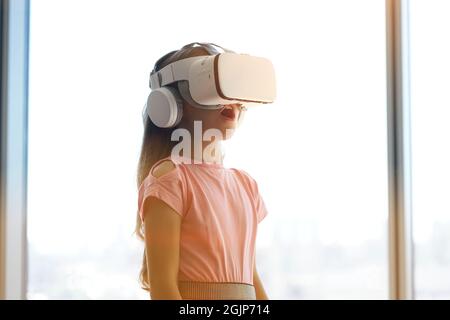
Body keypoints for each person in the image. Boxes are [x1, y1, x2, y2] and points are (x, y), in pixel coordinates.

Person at [135, 42, 269, 300]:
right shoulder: (170, 182)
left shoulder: (246, 185)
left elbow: (250, 277)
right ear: (170, 104)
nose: (229, 99)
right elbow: (163, 289)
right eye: (208, 84)